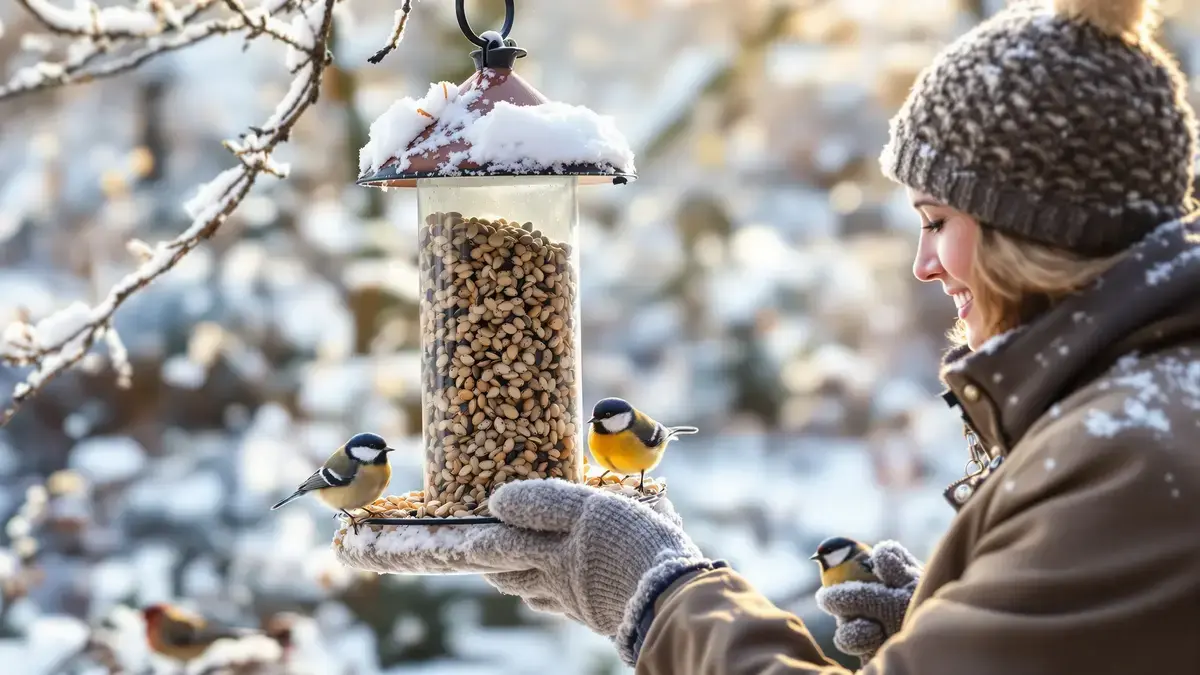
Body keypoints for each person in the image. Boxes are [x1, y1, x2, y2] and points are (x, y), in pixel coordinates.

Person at [353, 0, 1200, 672]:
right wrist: (956, 624)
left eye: (937, 221)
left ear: (1038, 233)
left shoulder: (1127, 458)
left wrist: (659, 595)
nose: (923, 265)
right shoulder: (1138, 419)